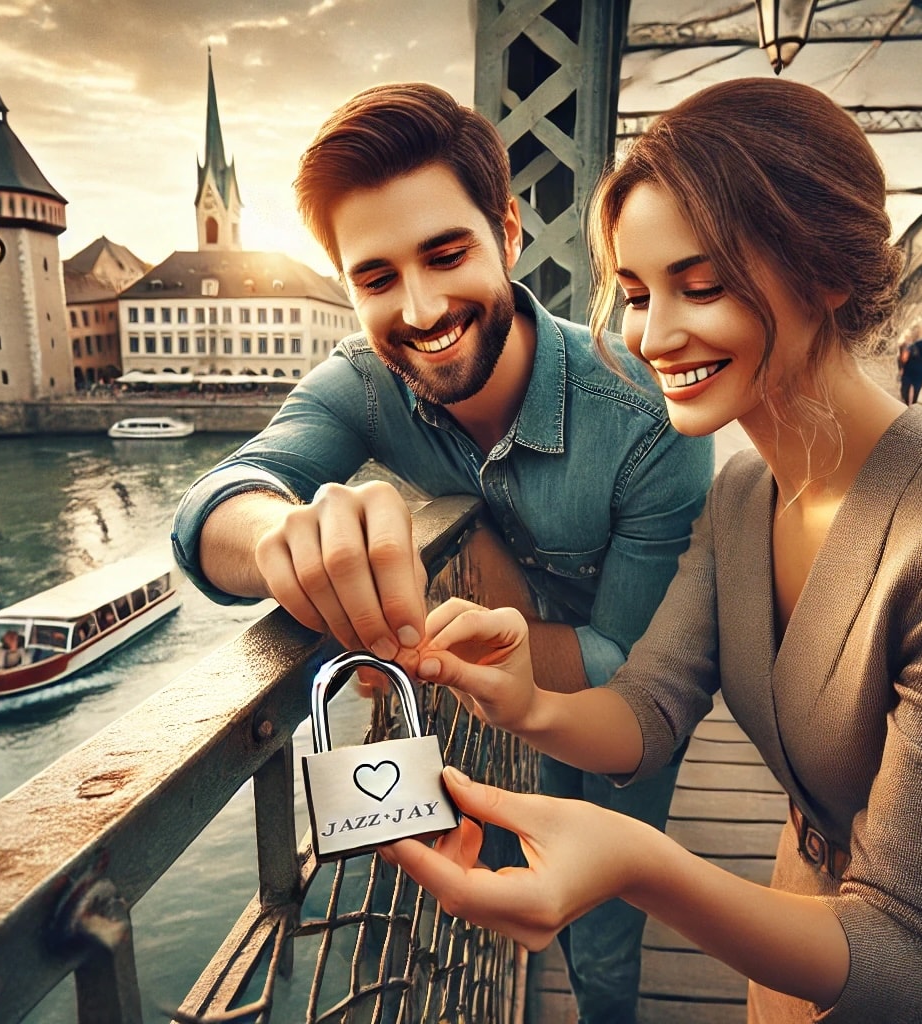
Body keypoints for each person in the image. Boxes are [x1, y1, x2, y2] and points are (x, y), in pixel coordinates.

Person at [384, 77, 922, 1023]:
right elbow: (648, 711)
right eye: (637, 293)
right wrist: (524, 697)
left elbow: (904, 954)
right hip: (787, 955)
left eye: (703, 285)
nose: (653, 335)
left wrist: (638, 866)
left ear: (826, 276)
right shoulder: (740, 493)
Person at [168, 82, 714, 1023]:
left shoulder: (646, 413)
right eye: (376, 278)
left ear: (506, 235)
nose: (419, 309)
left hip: (623, 700)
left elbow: (625, 670)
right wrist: (281, 537)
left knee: (609, 915)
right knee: (503, 883)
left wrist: (448, 646)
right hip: (492, 696)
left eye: (446, 254)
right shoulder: (360, 384)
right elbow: (212, 506)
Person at [897, 322, 922, 406]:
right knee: (916, 391)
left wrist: (901, 368)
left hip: (910, 369)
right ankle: (912, 405)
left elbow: (904, 358)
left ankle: (906, 405)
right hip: (921, 369)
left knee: (905, 390)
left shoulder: (909, 345)